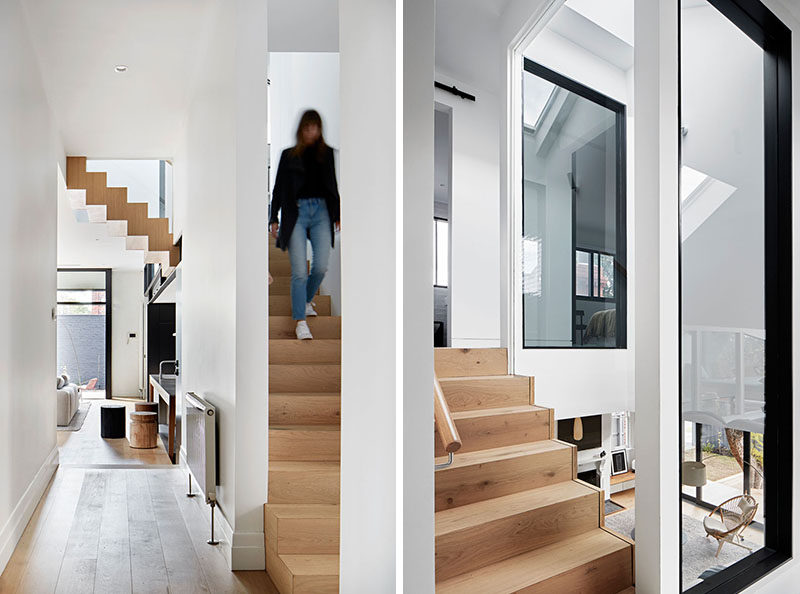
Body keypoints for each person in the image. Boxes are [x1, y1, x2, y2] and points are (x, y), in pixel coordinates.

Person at [269, 109, 340, 340]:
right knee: (299, 271)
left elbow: (332, 186)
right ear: (301, 129)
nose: (311, 131)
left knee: (320, 266)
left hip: (321, 212)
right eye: (307, 127)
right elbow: (278, 188)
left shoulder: (327, 154)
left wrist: (337, 213)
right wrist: (273, 218)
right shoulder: (288, 155)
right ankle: (300, 321)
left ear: (319, 129)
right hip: (296, 212)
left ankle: (307, 300)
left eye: (315, 127)